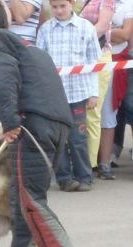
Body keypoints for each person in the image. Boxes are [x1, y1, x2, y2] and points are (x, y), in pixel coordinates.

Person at [0, 3, 90, 247]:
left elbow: (3, 75)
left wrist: (11, 121)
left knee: (30, 202)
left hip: (32, 125)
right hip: (57, 123)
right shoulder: (29, 47)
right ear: (8, 21)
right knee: (22, 198)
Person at [37, 0, 101, 192]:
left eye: (62, 6)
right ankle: (64, 177)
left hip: (79, 92)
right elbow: (40, 63)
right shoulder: (45, 30)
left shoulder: (86, 27)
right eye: (54, 7)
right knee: (58, 139)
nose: (58, 11)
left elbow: (93, 64)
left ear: (72, 3)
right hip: (54, 95)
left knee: (78, 137)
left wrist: (93, 92)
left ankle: (84, 176)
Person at [97, 0, 133, 179]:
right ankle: (95, 160)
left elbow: (126, 35)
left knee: (118, 111)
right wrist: (112, 31)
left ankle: (106, 160)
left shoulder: (128, 5)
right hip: (95, 60)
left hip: (119, 60)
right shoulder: (91, 3)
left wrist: (101, 29)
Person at [78, 0, 115, 171]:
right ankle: (78, 162)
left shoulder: (107, 1)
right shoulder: (82, 2)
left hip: (99, 58)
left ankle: (90, 164)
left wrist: (74, 39)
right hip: (81, 59)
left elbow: (101, 27)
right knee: (78, 113)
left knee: (93, 113)